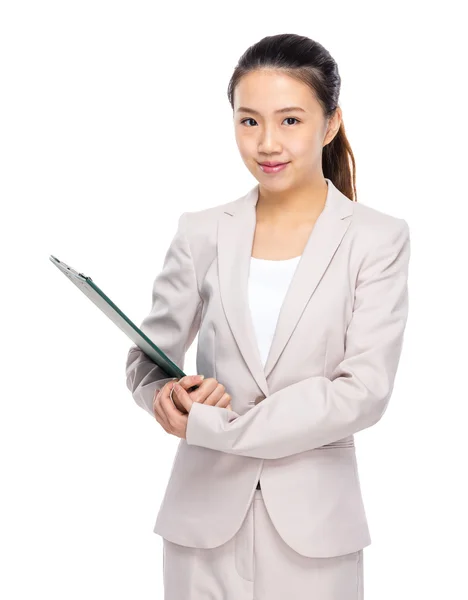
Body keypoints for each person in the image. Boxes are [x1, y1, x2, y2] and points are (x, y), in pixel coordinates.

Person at [125, 32, 410, 600]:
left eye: (290, 120)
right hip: (200, 526)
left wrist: (217, 428)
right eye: (249, 121)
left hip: (315, 533)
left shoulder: (379, 238)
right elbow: (146, 360)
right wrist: (168, 396)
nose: (267, 143)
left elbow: (363, 392)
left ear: (329, 125)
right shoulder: (200, 230)